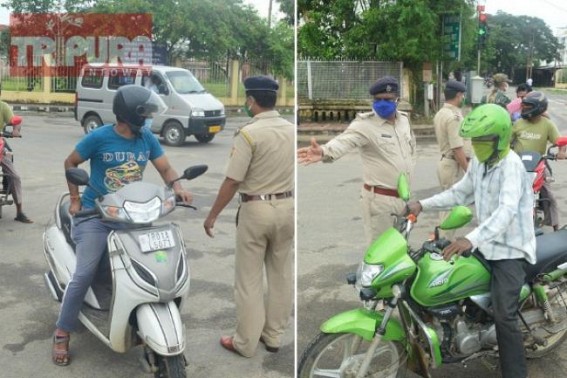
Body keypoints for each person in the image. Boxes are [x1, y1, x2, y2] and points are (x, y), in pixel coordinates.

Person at [51, 85, 193, 366]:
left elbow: (165, 168)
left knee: (157, 261)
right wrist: (76, 199)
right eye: (146, 112)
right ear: (130, 114)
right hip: (96, 216)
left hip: (132, 216)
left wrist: (177, 186)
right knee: (85, 273)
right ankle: (62, 331)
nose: (150, 117)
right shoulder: (100, 137)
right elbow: (71, 162)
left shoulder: (146, 139)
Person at [407, 104, 536, 378]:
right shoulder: (480, 161)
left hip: (510, 249)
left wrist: (470, 238)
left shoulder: (510, 166)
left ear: (499, 138)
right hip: (485, 243)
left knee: (504, 315)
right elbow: (459, 193)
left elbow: (506, 212)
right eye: (473, 140)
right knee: (448, 280)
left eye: (482, 140)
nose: (475, 146)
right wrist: (422, 204)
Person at [203, 76, 294, 357]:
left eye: (247, 100)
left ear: (251, 101)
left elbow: (232, 181)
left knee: (249, 279)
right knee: (280, 275)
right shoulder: (291, 129)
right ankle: (274, 336)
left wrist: (212, 215)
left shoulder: (248, 133)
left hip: (256, 211)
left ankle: (245, 342)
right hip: (287, 207)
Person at [297, 76, 416, 245]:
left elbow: (412, 151)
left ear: (397, 99)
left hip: (403, 197)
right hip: (380, 201)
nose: (382, 103)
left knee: (400, 247)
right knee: (380, 252)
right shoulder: (364, 125)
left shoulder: (404, 120)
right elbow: (344, 141)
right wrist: (323, 151)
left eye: (388, 99)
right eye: (378, 99)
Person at [511, 91, 566, 230]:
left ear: (539, 108)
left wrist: (561, 152)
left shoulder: (547, 124)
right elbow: (507, 142)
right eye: (524, 106)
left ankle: (555, 227)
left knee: (549, 196)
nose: (524, 109)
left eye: (528, 107)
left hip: (539, 164)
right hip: (517, 165)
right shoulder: (518, 123)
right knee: (504, 191)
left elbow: (560, 141)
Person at [433, 80, 470, 238]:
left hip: (445, 162)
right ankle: (444, 244)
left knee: (446, 206)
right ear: (458, 95)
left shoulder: (442, 112)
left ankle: (441, 238)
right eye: (462, 96)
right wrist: (468, 170)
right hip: (452, 165)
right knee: (451, 207)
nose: (463, 99)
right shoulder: (453, 117)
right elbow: (457, 148)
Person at [0, 100, 33, 223]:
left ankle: (19, 212)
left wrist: (16, 130)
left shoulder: (3, 107)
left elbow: (15, 121)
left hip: (0, 144)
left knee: (15, 176)